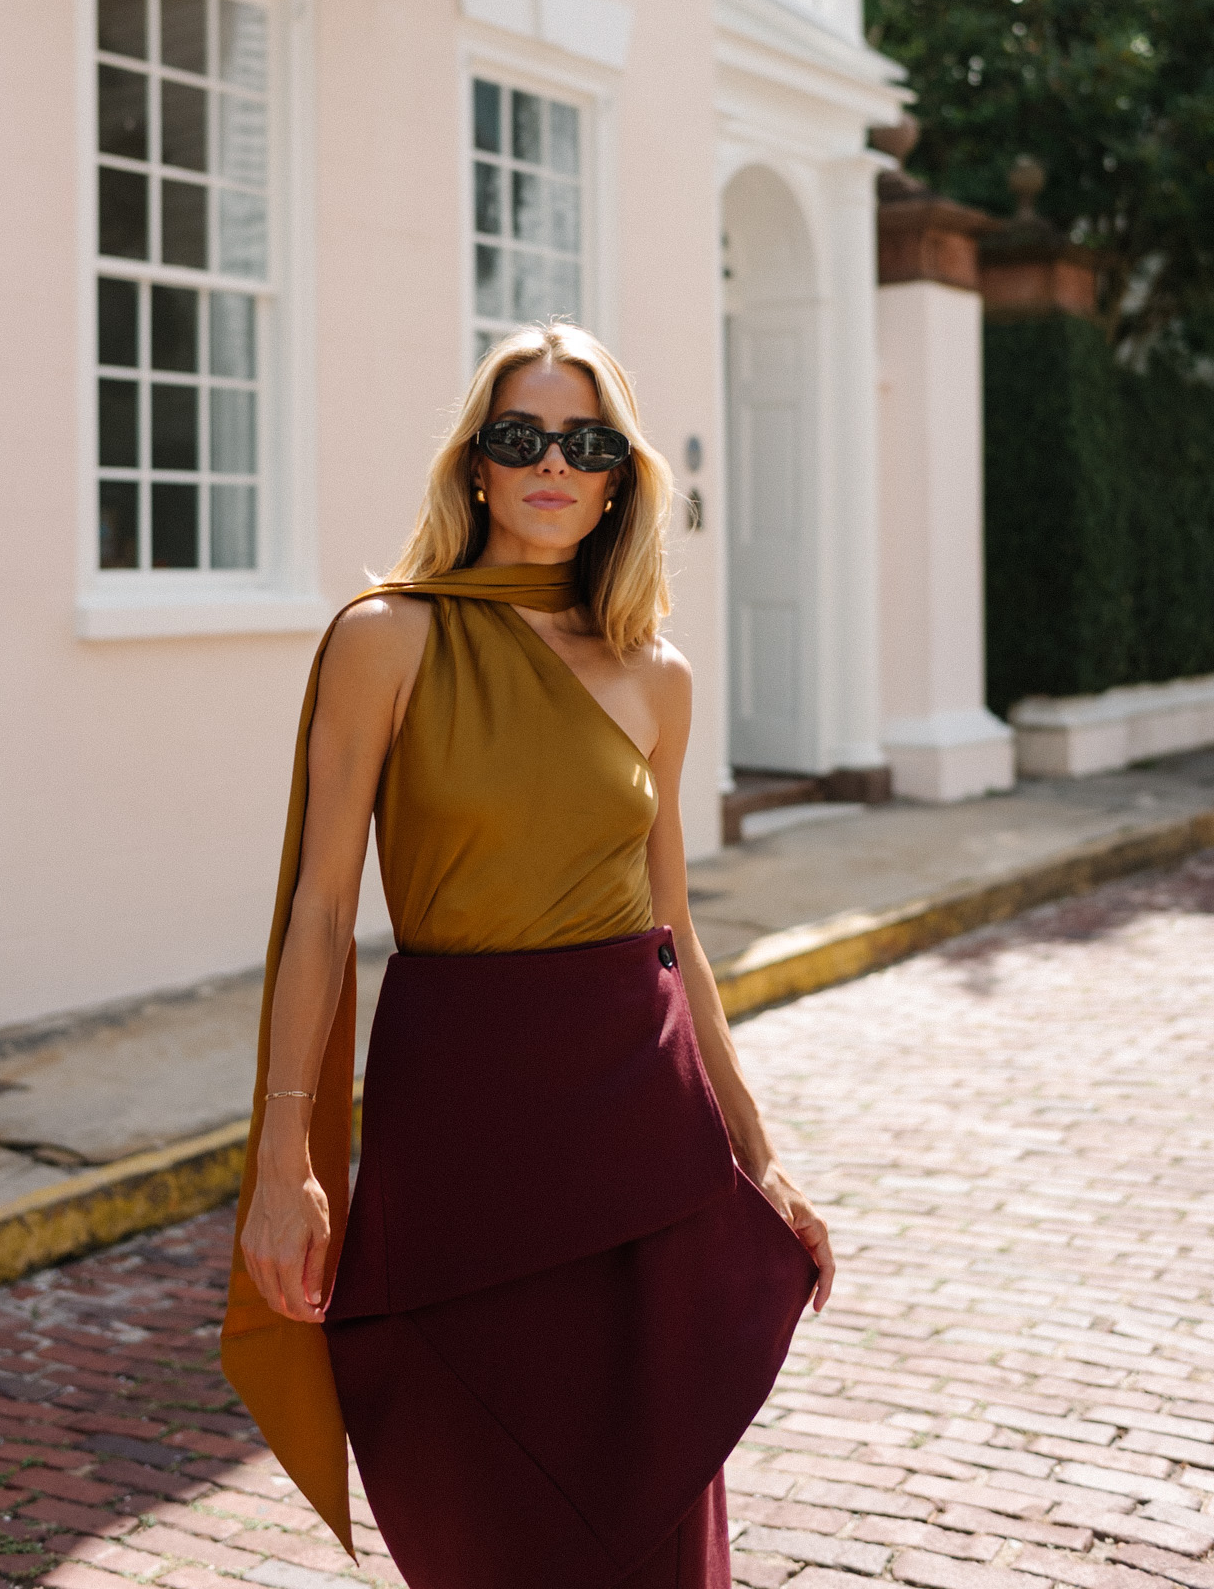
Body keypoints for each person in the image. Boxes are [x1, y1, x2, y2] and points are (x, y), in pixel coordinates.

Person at [222, 322, 834, 1589]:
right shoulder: (389, 636)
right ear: (478, 468)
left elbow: (673, 931)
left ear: (620, 475)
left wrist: (760, 1160)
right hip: (460, 1115)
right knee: (474, 1487)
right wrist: (286, 1156)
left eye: (584, 440)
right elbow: (322, 913)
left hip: (640, 1129)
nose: (551, 462)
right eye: (520, 437)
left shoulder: (655, 674)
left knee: (653, 1503)